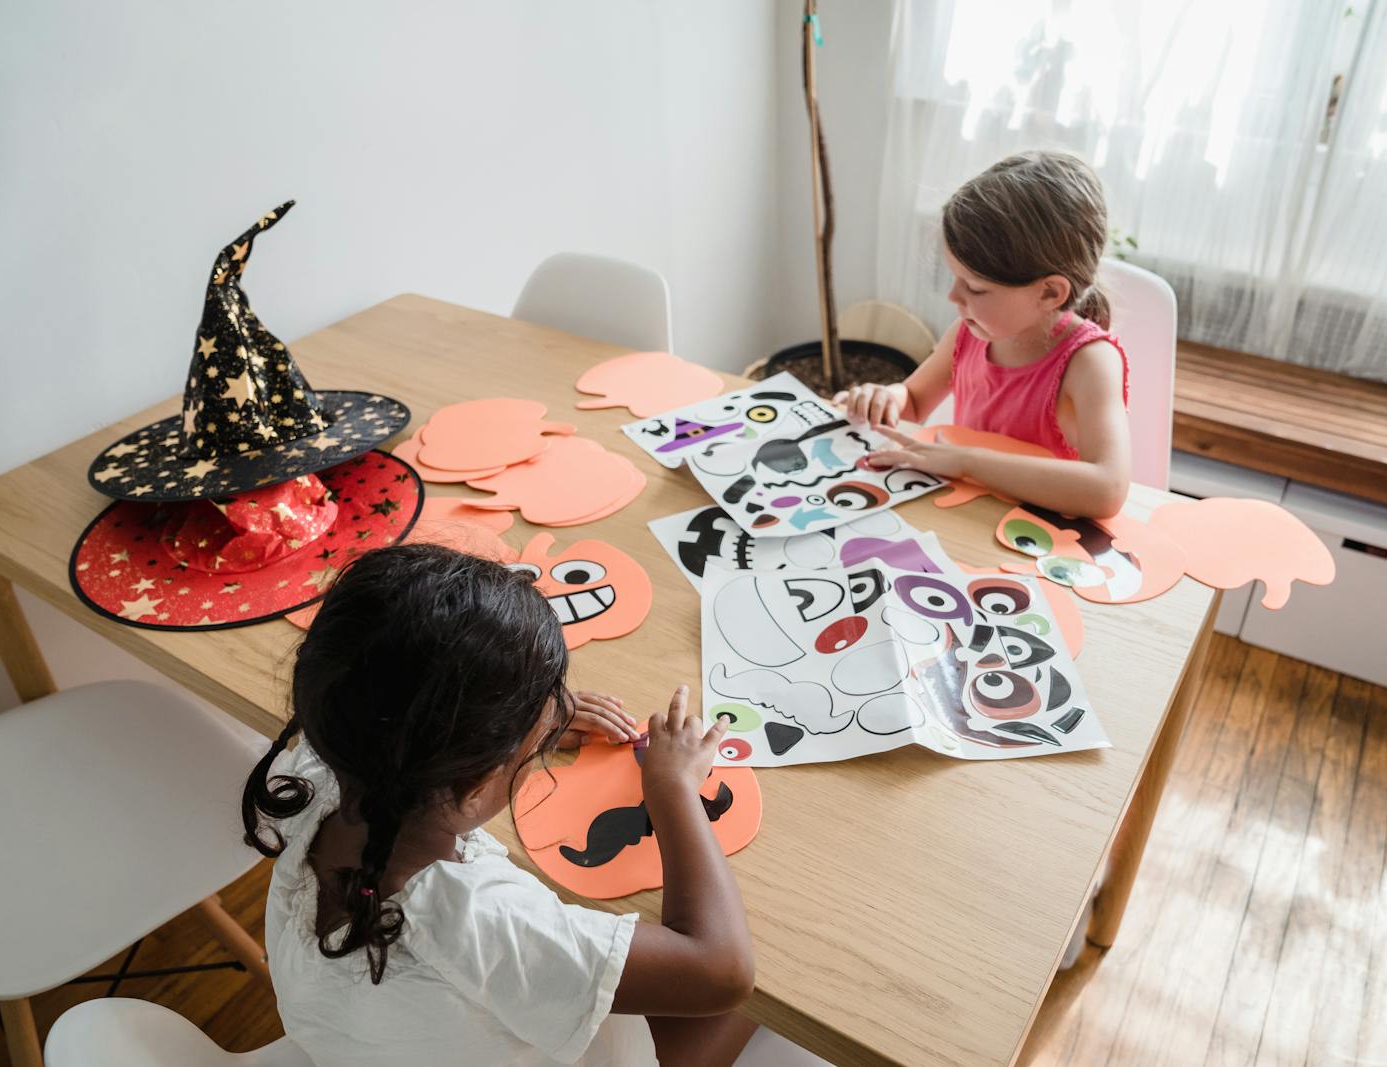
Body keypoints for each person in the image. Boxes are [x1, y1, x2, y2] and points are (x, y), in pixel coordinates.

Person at [242, 544, 756, 1066]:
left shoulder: (315, 775)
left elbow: (391, 680)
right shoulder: (478, 919)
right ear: (476, 781)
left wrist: (515, 717)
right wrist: (671, 786)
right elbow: (721, 970)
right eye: (533, 741)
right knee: (771, 991)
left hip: (368, 1044)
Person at [837, 150, 1132, 519]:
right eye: (954, 277)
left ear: (1049, 293)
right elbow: (913, 400)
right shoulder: (970, 333)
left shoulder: (1089, 361)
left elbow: (1108, 489)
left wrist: (966, 463)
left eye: (975, 288)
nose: (953, 297)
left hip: (1038, 539)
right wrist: (885, 398)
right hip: (964, 517)